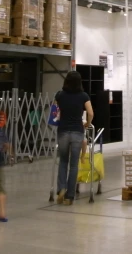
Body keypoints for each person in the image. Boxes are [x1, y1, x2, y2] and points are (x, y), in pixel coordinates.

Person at [55, 71, 93, 205]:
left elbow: (55, 111)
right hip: (77, 131)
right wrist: (87, 124)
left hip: (63, 131)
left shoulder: (60, 95)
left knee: (63, 161)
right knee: (74, 164)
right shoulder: (83, 96)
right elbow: (90, 112)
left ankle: (61, 189)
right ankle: (69, 196)